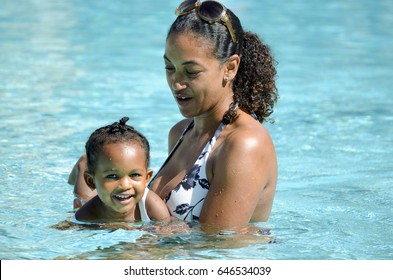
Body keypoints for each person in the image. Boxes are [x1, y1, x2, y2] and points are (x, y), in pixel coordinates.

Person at [69, 0, 278, 230]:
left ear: (230, 68)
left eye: (191, 71)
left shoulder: (245, 144)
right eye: (170, 68)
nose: (176, 83)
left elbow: (215, 244)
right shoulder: (181, 132)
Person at [72, 117, 170, 223]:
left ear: (147, 178)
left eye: (135, 175)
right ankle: (83, 163)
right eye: (112, 176)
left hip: (105, 193)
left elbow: (167, 232)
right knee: (82, 198)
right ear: (91, 181)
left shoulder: (151, 205)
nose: (125, 185)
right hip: (92, 201)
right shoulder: (85, 216)